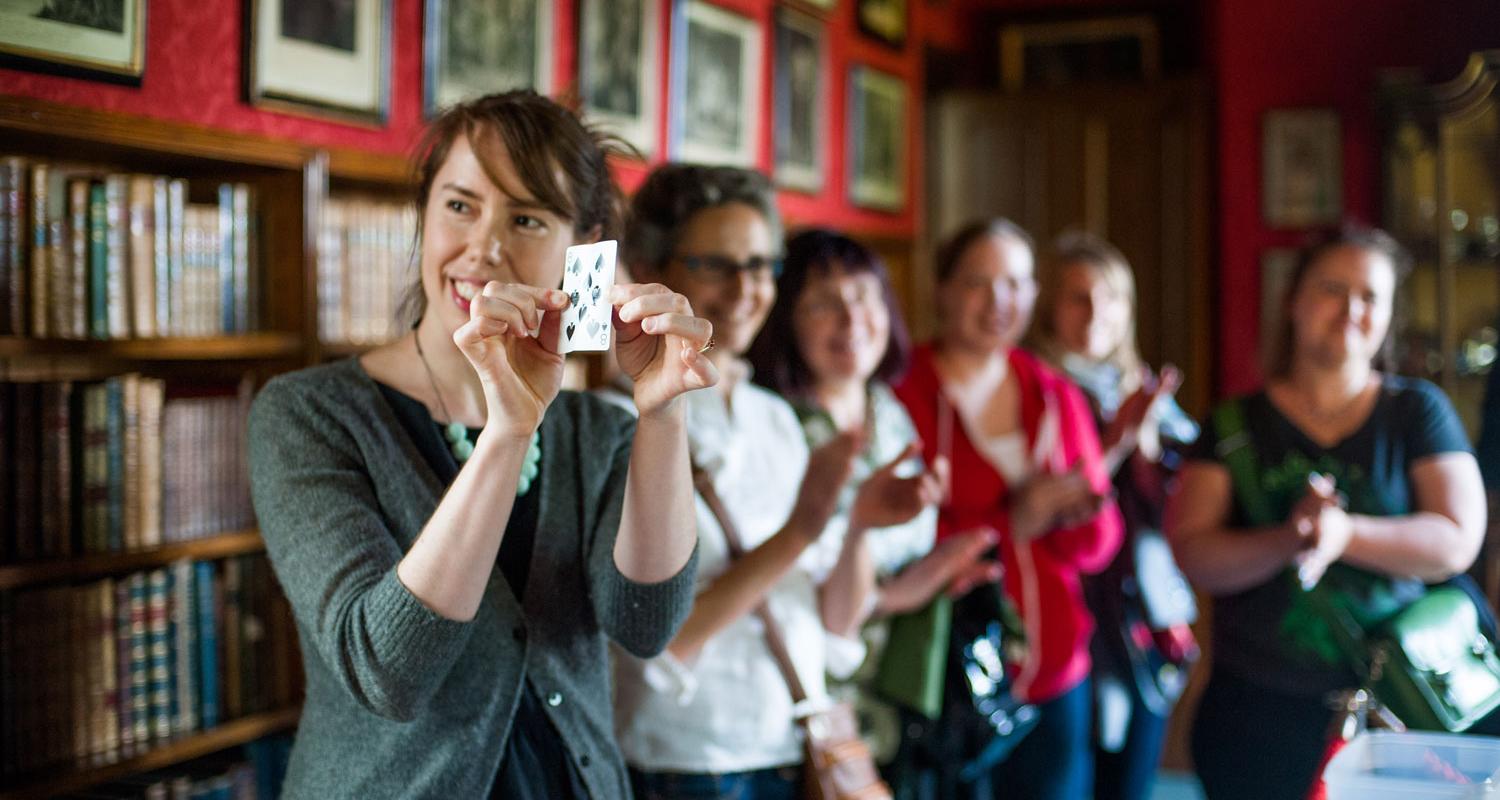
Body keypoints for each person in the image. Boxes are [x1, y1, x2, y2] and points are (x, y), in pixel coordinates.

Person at [247, 91, 715, 799]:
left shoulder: (601, 432)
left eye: (527, 218)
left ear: (584, 247)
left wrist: (663, 413)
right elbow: (385, 671)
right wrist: (508, 429)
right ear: (425, 213)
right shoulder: (310, 414)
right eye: (459, 205)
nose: (484, 248)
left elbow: (644, 624)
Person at [610, 166, 942, 800]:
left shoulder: (775, 417)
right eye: (716, 264)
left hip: (796, 743)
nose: (745, 289)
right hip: (692, 760)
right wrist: (802, 530)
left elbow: (831, 624)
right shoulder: (625, 421)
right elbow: (658, 640)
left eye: (761, 266)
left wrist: (860, 533)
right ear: (656, 267)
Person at [1166, 225, 1488, 800]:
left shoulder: (1416, 411)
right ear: (1293, 300)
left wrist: (1344, 534)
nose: (1351, 310)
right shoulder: (1233, 427)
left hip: (1402, 709)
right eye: (1332, 289)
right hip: (1256, 713)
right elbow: (1194, 554)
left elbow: (1457, 541)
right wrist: (1290, 538)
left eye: (1370, 297)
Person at [745, 229, 1000, 764]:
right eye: (823, 304)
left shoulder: (886, 410)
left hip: (893, 698)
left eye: (863, 295)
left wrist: (938, 571)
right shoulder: (773, 424)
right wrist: (903, 592)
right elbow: (791, 591)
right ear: (785, 320)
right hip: (804, 708)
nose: (851, 318)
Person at [893, 218, 1124, 799]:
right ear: (941, 288)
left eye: (1017, 284)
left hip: (1054, 674)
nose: (1000, 302)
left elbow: (1099, 548)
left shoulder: (1054, 394)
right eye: (979, 282)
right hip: (945, 677)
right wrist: (1010, 524)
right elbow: (891, 535)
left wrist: (1078, 514)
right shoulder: (903, 391)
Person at [1027, 231, 1200, 800]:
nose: (1095, 312)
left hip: (1139, 613)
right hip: (1066, 606)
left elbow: (1181, 508)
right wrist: (1117, 443)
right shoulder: (1033, 387)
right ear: (1048, 305)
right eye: (1077, 296)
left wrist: (1147, 443)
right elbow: (1038, 503)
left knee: (1132, 777)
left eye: (1111, 297)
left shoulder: (1144, 391)